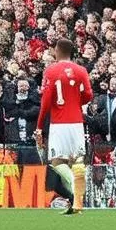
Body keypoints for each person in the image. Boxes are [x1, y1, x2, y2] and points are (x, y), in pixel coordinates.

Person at [34, 39, 92, 214]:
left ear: (58, 51)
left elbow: (45, 101)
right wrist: (75, 102)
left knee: (57, 161)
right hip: (77, 123)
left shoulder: (51, 70)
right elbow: (89, 95)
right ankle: (77, 203)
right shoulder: (81, 70)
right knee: (77, 160)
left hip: (59, 123)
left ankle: (77, 190)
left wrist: (39, 126)